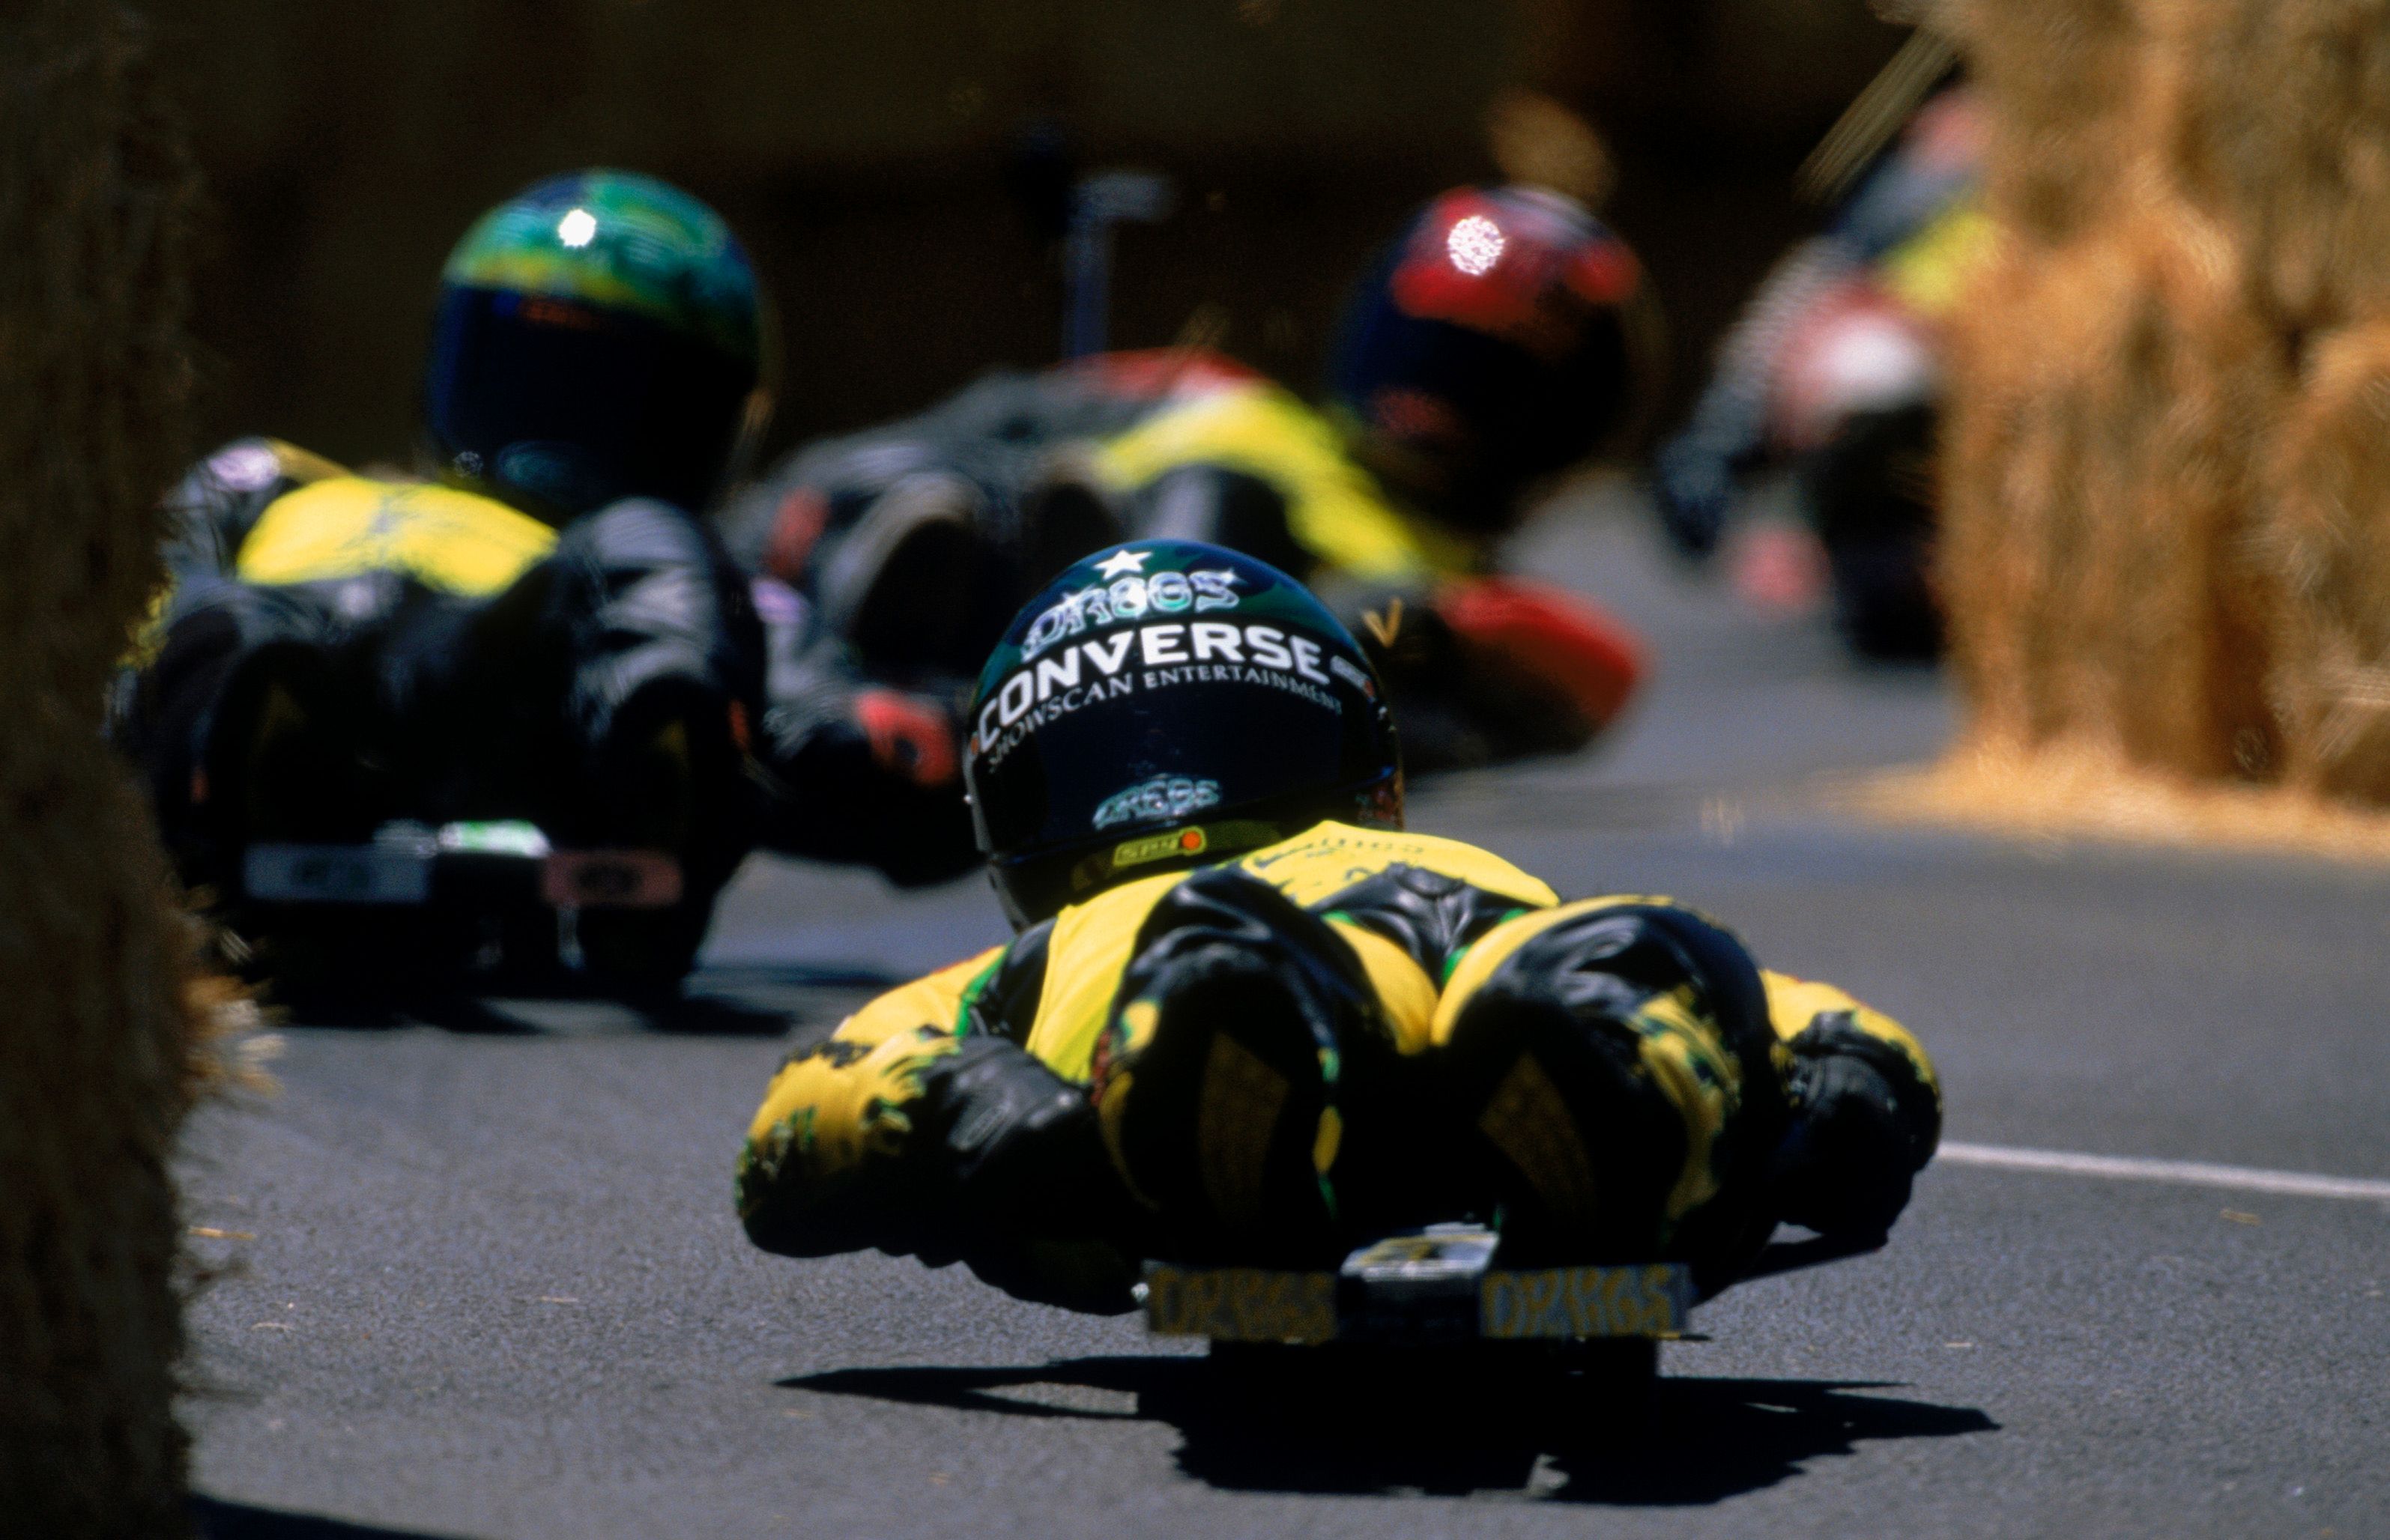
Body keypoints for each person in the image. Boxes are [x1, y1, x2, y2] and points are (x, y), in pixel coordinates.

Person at [734, 540, 1940, 1312]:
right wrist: (1853, 1058)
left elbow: (808, 1102)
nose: (1178, 792)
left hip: (1372, 966)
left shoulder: (1023, 957)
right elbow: (806, 1121)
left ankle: (1517, 1063)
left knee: (1606, 961)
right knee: (1613, 953)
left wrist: (1848, 1084)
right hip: (1376, 957)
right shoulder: (1045, 960)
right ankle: (1295, 1054)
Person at [118, 170, 968, 991]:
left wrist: (851, 746)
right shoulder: (266, 477)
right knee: (211, 610)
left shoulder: (644, 564)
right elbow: (116, 608)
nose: (549, 438)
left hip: (509, 683)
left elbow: (893, 756)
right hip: (285, 656)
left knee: (656, 546)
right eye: (527, 377)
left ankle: (650, 799)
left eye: (614, 401)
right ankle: (245, 770)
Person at [723, 184, 1655, 775]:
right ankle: (959, 600)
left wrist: (1411, 621)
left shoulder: (1453, 573)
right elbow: (986, 415)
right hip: (991, 546)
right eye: (1425, 353)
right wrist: (811, 505)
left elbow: (1605, 677)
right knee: (954, 498)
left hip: (1241, 652)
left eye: (1480, 381)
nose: (1428, 405)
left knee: (1226, 512)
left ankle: (1122, 619)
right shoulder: (1214, 393)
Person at [1651, 87, 1988, 660]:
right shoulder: (1857, 249)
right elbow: (1706, 454)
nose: (1949, 127)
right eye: (1941, 119)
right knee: (1866, 363)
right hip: (1891, 396)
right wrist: (1754, 533)